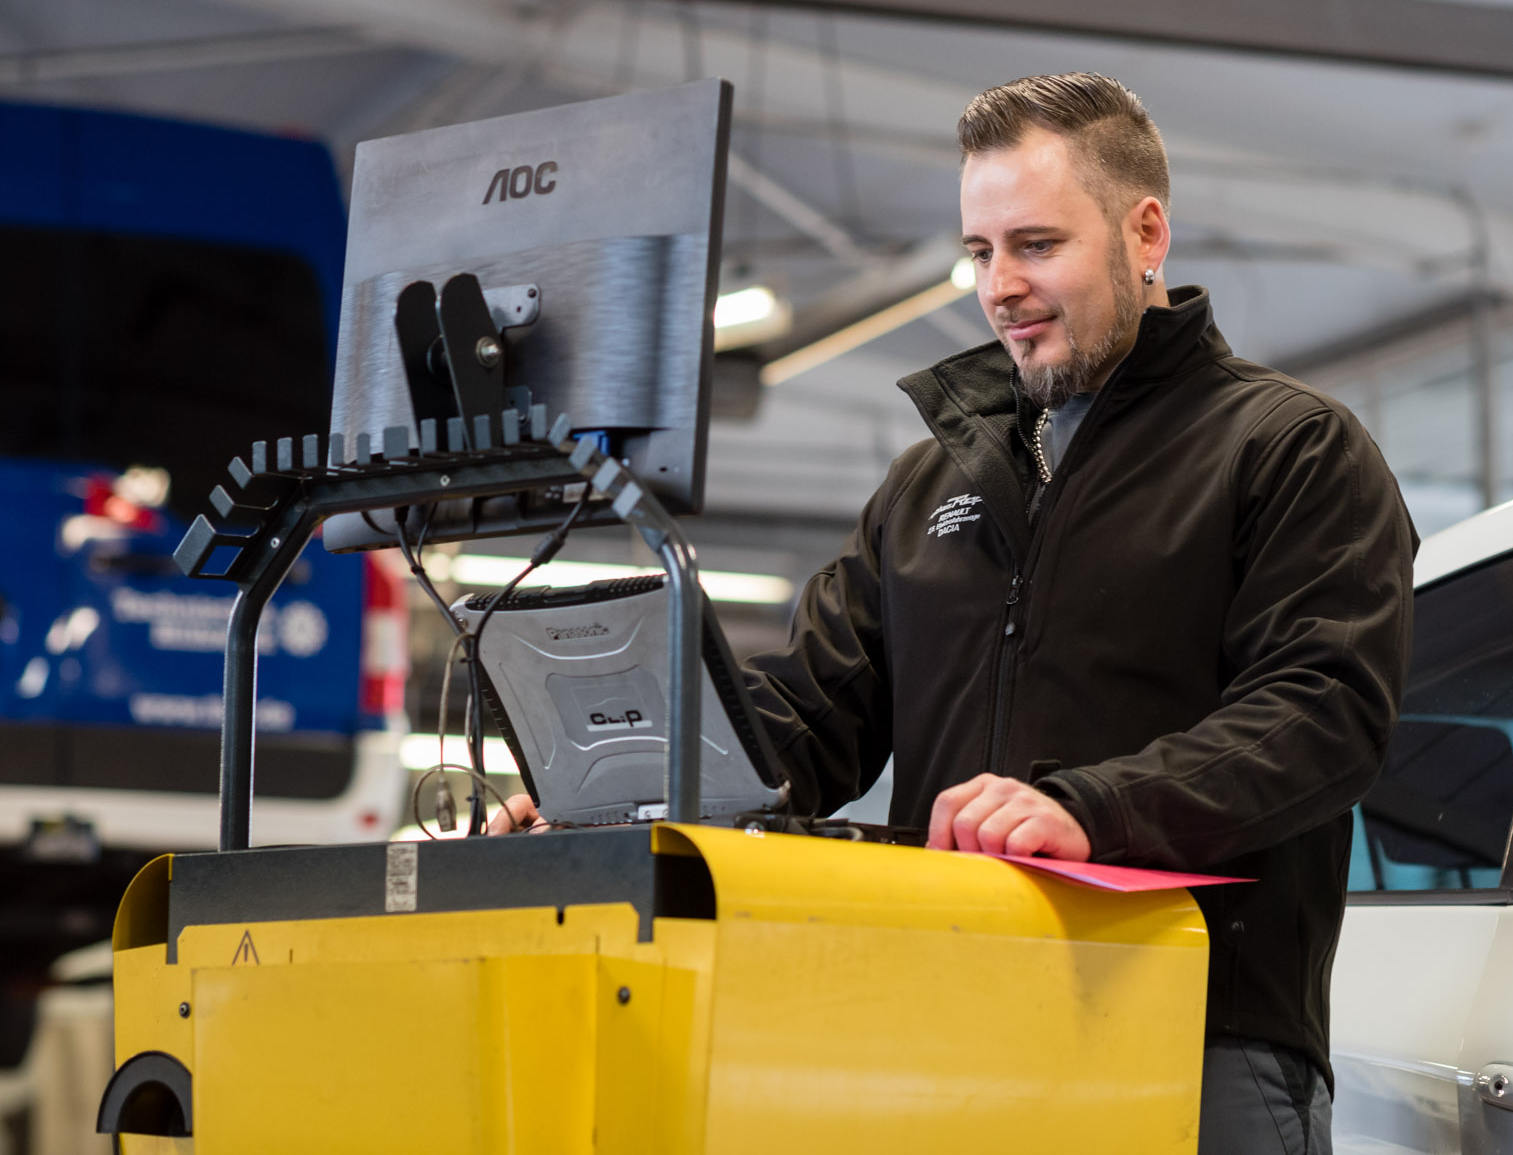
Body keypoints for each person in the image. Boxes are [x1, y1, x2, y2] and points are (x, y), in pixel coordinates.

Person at [497, 72, 1414, 1155]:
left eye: (1035, 245)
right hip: (946, 1023)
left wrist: (1090, 810)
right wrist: (623, 788)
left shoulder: (1284, 448)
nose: (1000, 286)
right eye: (979, 253)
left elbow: (1322, 714)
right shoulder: (929, 484)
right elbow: (810, 714)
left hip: (1199, 1030)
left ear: (1146, 232)